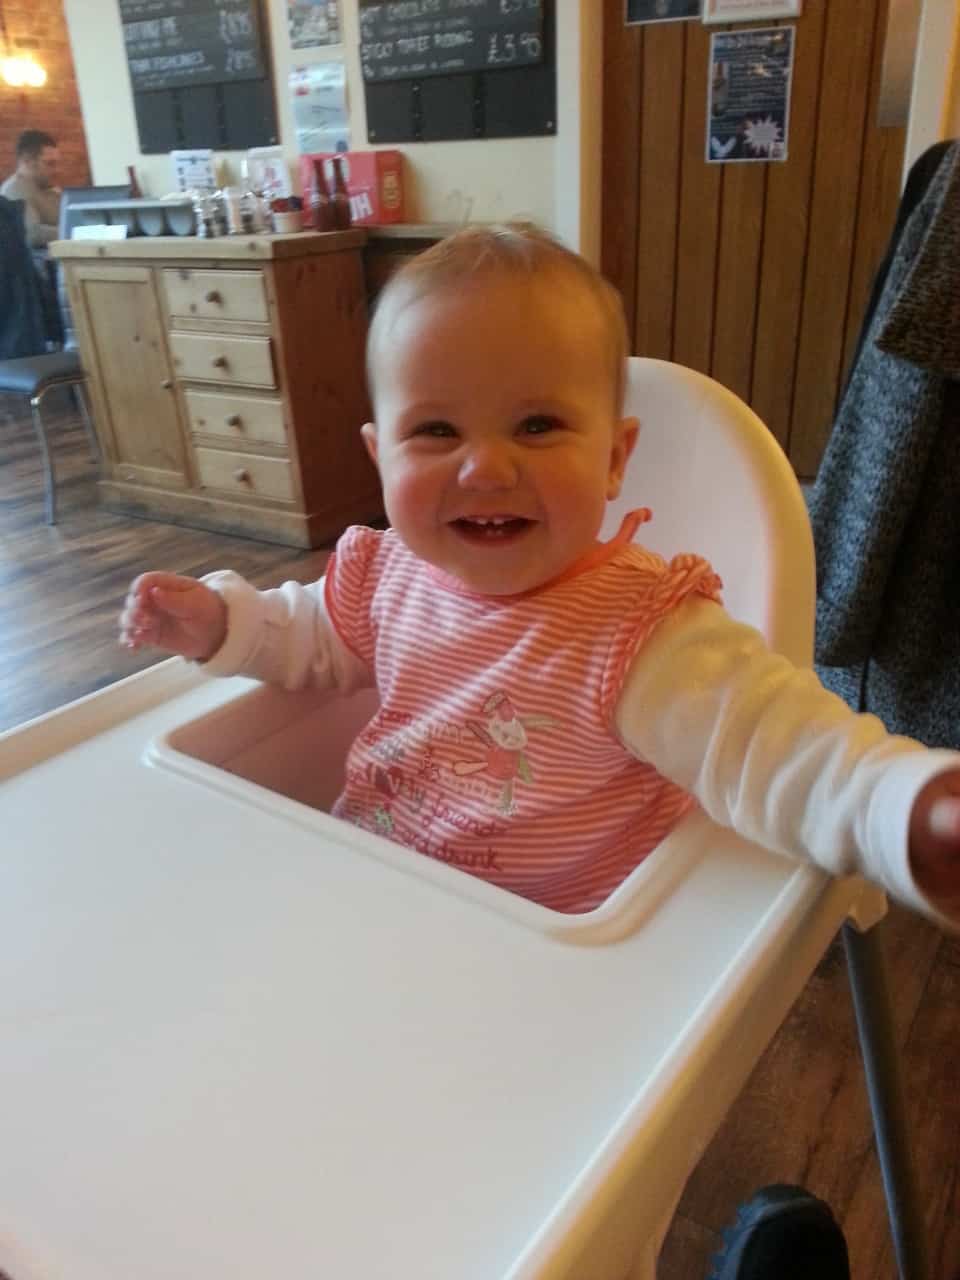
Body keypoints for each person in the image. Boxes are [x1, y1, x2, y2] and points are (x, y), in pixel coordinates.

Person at [118, 224, 960, 929]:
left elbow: (779, 748)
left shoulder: (640, 633)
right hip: (371, 898)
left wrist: (906, 809)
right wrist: (223, 626)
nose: (485, 467)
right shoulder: (388, 576)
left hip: (543, 962)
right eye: (438, 431)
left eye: (537, 424)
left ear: (614, 459)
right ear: (381, 456)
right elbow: (302, 640)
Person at [0, 129, 61, 249]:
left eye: (57, 163)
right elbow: (33, 233)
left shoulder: (46, 187)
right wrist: (76, 232)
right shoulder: (15, 190)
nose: (56, 170)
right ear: (27, 161)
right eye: (50, 164)